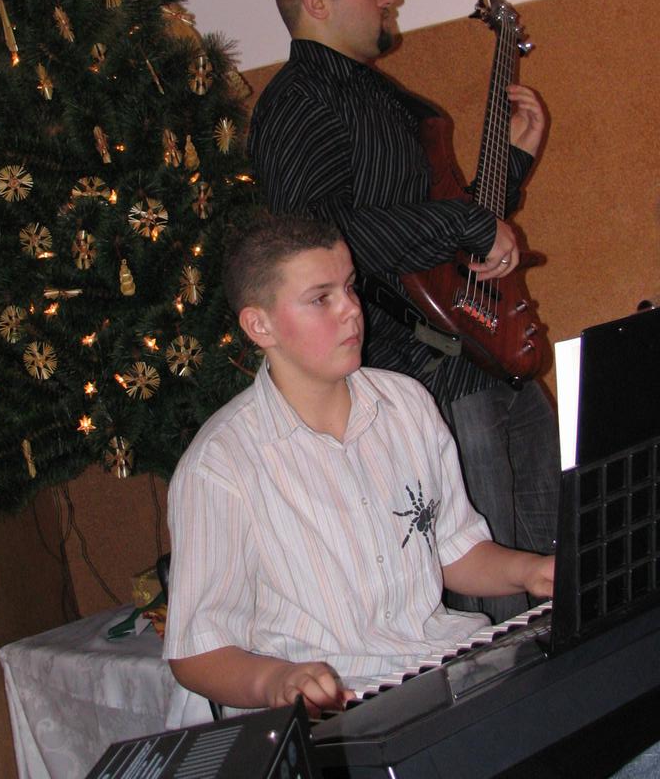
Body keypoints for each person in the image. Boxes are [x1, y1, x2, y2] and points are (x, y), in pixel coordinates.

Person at [247, 0, 561, 623]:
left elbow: (442, 238)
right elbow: (316, 242)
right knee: (496, 608)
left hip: (484, 356)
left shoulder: (383, 98)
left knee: (554, 569)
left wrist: (510, 170)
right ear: (317, 0)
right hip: (426, 383)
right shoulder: (299, 103)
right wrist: (465, 225)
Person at [163, 214, 554, 718]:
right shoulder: (220, 466)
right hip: (344, 712)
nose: (351, 309)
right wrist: (276, 681)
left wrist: (532, 571)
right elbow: (196, 652)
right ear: (260, 325)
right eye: (320, 298)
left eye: (349, 287)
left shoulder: (406, 403)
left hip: (446, 667)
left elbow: (455, 550)